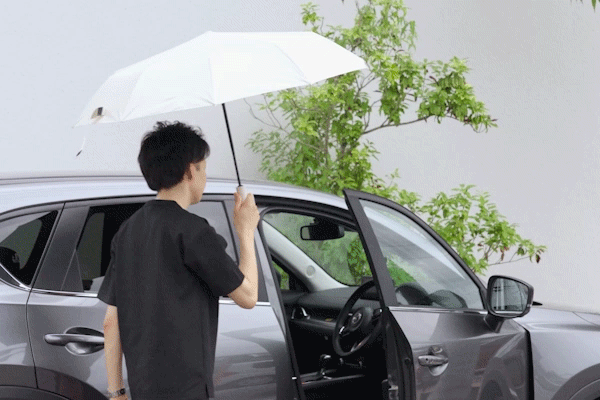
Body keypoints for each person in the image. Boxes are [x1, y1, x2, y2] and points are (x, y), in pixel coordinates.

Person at [98, 121, 260, 400]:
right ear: (189, 171)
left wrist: (117, 392)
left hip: (143, 391)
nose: (205, 177)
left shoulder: (127, 231)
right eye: (204, 168)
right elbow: (248, 296)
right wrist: (246, 232)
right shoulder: (194, 231)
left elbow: (111, 322)